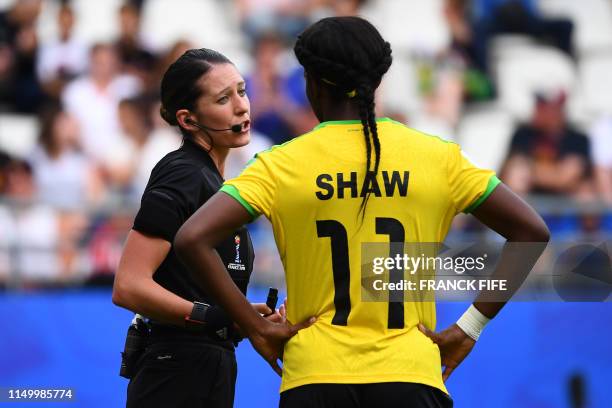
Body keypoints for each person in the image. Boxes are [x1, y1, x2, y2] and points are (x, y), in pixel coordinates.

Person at [174, 17, 550, 407]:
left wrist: (255, 328)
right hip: (412, 375)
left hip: (314, 378)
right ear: (376, 82)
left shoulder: (279, 165)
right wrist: (470, 327)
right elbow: (531, 232)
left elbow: (192, 238)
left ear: (312, 83)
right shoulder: (437, 158)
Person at [111, 48, 284, 408]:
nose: (241, 106)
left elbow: (189, 289)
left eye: (242, 90)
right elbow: (129, 285)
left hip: (207, 365)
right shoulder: (182, 173)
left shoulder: (213, 180)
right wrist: (215, 316)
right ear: (189, 121)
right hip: (174, 369)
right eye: (223, 98)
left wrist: (242, 314)